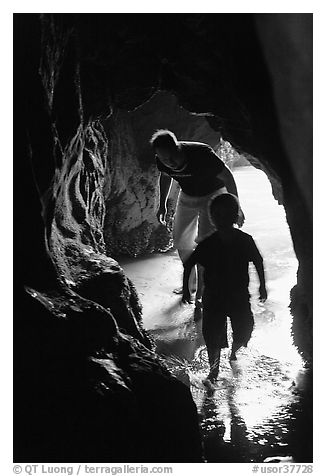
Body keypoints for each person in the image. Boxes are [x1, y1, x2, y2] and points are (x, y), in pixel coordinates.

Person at [150, 129, 245, 305]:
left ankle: (204, 291)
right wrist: (162, 203)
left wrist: (236, 206)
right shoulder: (161, 160)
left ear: (178, 148)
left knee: (206, 244)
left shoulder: (202, 154)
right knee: (181, 242)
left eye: (172, 157)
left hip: (213, 195)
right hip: (187, 196)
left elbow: (228, 177)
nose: (169, 163)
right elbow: (165, 177)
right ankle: (191, 284)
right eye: (164, 159)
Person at [182, 193, 267, 382]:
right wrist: (187, 290)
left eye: (227, 214)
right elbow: (189, 264)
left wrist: (262, 286)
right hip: (214, 298)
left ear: (236, 216)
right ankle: (214, 371)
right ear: (212, 218)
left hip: (238, 296)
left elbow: (258, 261)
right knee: (213, 336)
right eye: (217, 215)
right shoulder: (208, 244)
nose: (222, 218)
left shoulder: (245, 240)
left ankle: (234, 352)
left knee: (245, 330)